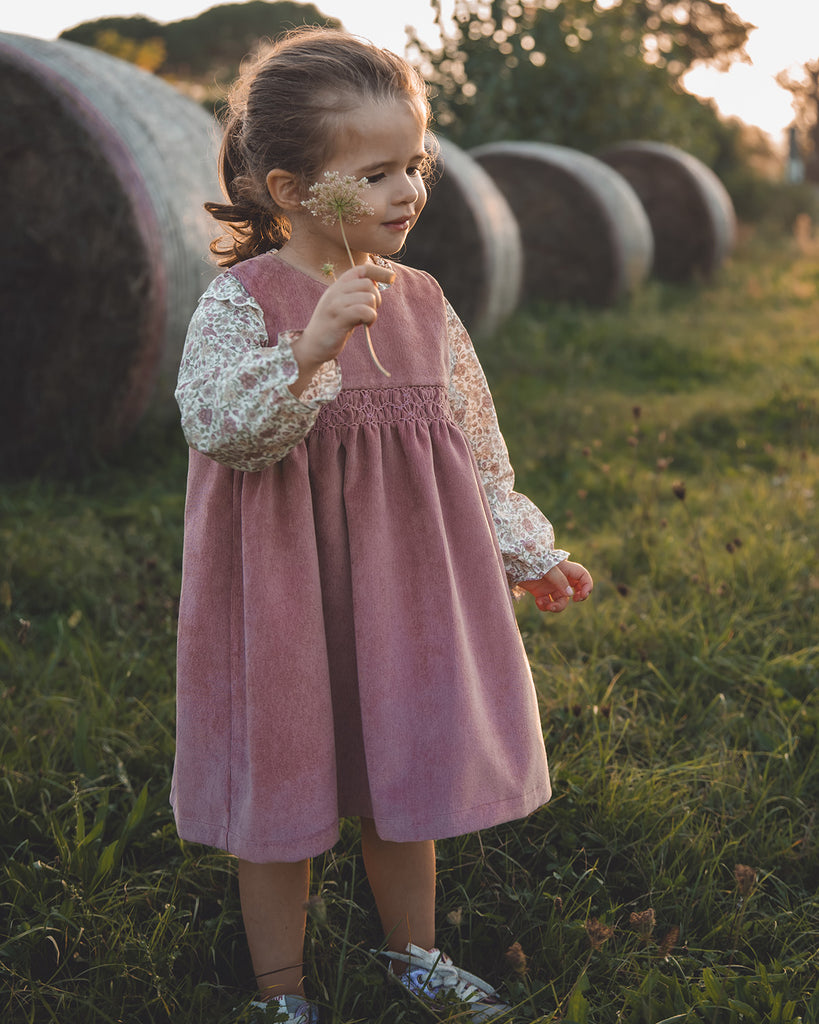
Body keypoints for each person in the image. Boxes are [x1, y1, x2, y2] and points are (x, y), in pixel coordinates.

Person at [172, 27, 593, 1024]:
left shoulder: (426, 303)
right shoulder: (242, 302)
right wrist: (310, 351)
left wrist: (529, 546)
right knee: (282, 787)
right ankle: (283, 994)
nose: (409, 190)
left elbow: (475, 444)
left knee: (404, 763)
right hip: (284, 592)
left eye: (415, 164)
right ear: (290, 187)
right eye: (376, 174)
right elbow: (219, 424)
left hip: (406, 587)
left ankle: (416, 954)